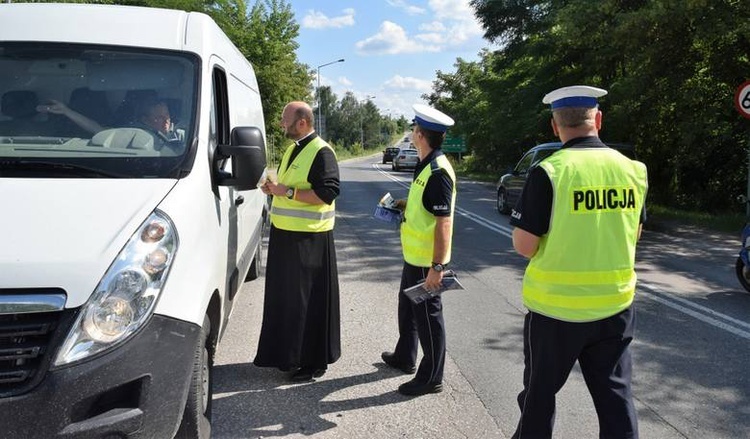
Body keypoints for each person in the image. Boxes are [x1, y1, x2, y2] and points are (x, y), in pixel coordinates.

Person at [509, 85, 649, 438]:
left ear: (555, 127)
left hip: (556, 313)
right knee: (615, 397)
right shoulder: (632, 169)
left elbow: (525, 246)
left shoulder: (550, 171)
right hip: (615, 307)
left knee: (539, 398)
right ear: (598, 119)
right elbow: (635, 235)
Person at [254, 101, 341, 382]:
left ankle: (313, 362)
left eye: (285, 119)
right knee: (287, 300)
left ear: (301, 122)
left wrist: (285, 191)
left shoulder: (322, 152)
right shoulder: (293, 148)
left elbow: (327, 193)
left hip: (310, 240)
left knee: (307, 302)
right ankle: (287, 355)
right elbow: (288, 187)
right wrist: (273, 190)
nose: (281, 123)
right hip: (285, 234)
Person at [381, 104, 457, 396]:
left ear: (420, 135)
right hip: (414, 255)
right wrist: (403, 206)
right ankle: (405, 357)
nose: (412, 133)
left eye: (414, 129)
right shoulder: (425, 163)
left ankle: (432, 377)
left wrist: (437, 267)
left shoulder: (438, 171)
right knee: (408, 310)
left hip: (428, 260)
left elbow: (443, 221)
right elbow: (425, 207)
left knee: (429, 319)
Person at [37, 97, 183, 145]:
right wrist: (67, 111)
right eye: (158, 117)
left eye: (167, 116)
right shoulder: (132, 134)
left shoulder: (182, 133)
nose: (166, 121)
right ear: (144, 120)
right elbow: (98, 130)